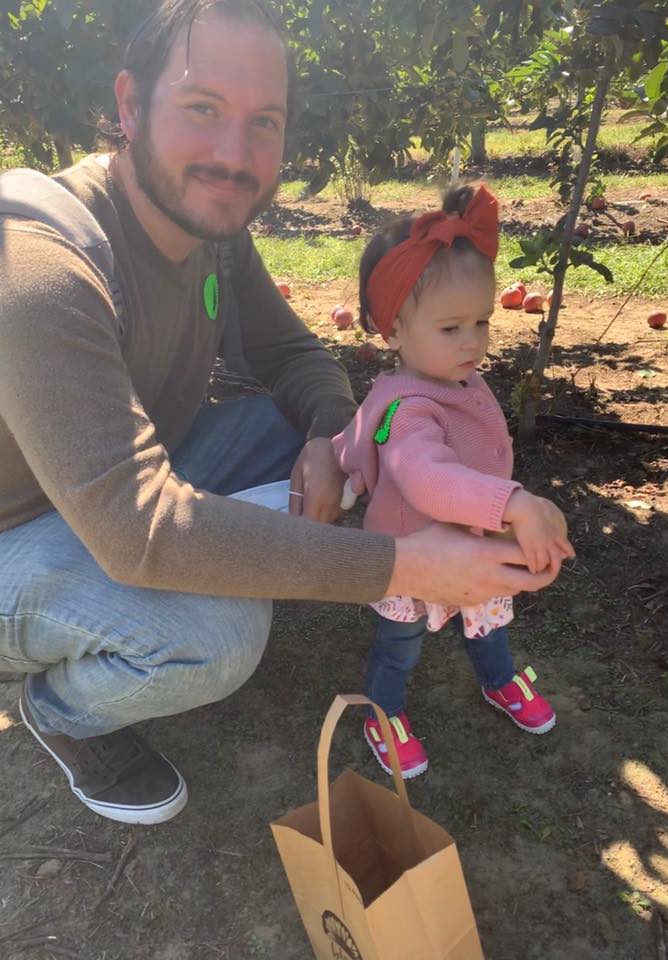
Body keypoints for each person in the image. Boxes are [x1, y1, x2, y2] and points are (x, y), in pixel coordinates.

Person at [0, 0, 563, 827]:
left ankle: (194, 581)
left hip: (116, 481)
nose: (236, 155)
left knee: (280, 428)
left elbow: (294, 356)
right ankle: (63, 711)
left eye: (263, 121)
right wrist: (404, 566)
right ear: (129, 105)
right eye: (202, 110)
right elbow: (136, 528)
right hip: (19, 529)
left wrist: (326, 439)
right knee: (217, 637)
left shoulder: (212, 232)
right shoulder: (44, 265)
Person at [332, 184, 575, 779]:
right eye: (451, 328)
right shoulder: (409, 407)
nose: (473, 341)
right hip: (415, 551)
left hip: (469, 541)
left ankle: (498, 679)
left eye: (482, 322)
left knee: (487, 621)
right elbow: (426, 478)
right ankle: (383, 712)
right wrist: (513, 503)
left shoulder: (457, 376)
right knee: (401, 641)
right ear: (391, 331)